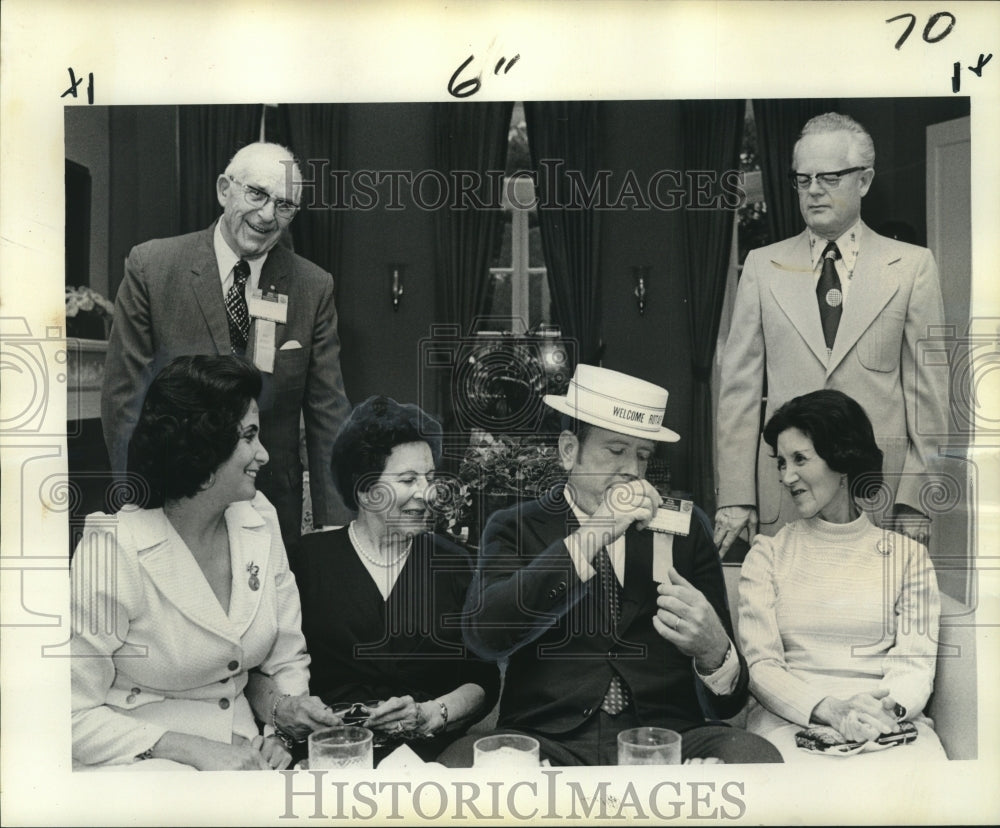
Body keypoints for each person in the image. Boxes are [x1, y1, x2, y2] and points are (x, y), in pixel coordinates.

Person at [446, 365, 782, 766]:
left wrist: (714, 651)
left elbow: (728, 703)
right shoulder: (515, 527)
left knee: (756, 758)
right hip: (545, 739)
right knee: (459, 765)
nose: (631, 470)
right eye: (616, 450)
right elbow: (486, 635)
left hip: (666, 739)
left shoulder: (685, 529)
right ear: (570, 451)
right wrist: (594, 533)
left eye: (642, 455)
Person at [72, 356, 337, 770]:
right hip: (138, 769)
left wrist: (279, 734)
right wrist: (191, 750)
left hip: (247, 761)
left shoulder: (260, 519)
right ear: (201, 446)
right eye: (249, 436)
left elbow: (286, 658)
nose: (263, 454)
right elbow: (68, 716)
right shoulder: (113, 549)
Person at [715, 112, 949, 557]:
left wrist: (917, 498)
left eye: (829, 177)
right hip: (785, 494)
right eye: (802, 180)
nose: (814, 190)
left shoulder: (912, 266)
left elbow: (929, 398)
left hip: (876, 493)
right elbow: (739, 395)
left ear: (864, 180)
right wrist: (736, 495)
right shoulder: (763, 267)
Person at [101, 141, 352, 545]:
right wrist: (137, 502)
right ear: (224, 189)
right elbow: (123, 399)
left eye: (285, 205)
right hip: (172, 504)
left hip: (271, 507)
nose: (268, 215)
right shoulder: (152, 267)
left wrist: (336, 524)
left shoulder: (313, 286)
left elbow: (329, 410)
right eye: (257, 193)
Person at [737, 389, 945, 762]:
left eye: (800, 459)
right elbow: (762, 668)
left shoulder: (908, 558)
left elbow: (914, 663)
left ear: (842, 458)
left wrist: (885, 713)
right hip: (790, 723)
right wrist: (830, 710)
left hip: (887, 725)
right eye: (781, 463)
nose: (787, 476)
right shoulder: (766, 555)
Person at [292, 395, 501, 763]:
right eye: (408, 479)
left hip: (431, 759)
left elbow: (482, 680)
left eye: (430, 478)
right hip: (328, 756)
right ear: (364, 489)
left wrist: (431, 714)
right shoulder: (306, 562)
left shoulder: (456, 564)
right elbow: (276, 668)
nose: (426, 492)